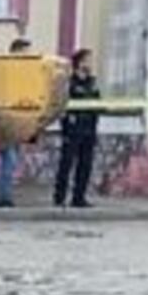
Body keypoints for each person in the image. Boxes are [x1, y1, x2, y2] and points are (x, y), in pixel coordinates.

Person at [54, 49, 101, 208]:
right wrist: (66, 125)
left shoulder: (92, 82)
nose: (91, 64)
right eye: (88, 60)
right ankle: (59, 197)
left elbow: (96, 103)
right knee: (66, 164)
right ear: (80, 63)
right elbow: (61, 105)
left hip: (89, 129)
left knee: (85, 164)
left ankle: (79, 197)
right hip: (73, 129)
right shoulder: (70, 83)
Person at [0, 37, 32, 207]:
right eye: (25, 52)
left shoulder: (24, 74)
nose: (27, 56)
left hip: (18, 121)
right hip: (7, 121)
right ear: (16, 52)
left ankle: (5, 196)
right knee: (8, 159)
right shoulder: (8, 72)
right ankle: (4, 198)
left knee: (12, 160)